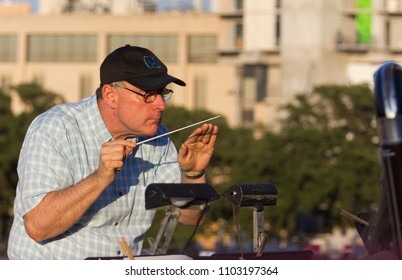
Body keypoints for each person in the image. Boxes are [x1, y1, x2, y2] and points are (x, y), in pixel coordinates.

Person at [7, 44, 218, 260]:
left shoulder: (159, 138)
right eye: (148, 95)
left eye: (162, 93)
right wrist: (100, 178)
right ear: (111, 95)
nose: (161, 105)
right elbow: (37, 227)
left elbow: (190, 219)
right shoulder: (56, 128)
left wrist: (193, 175)